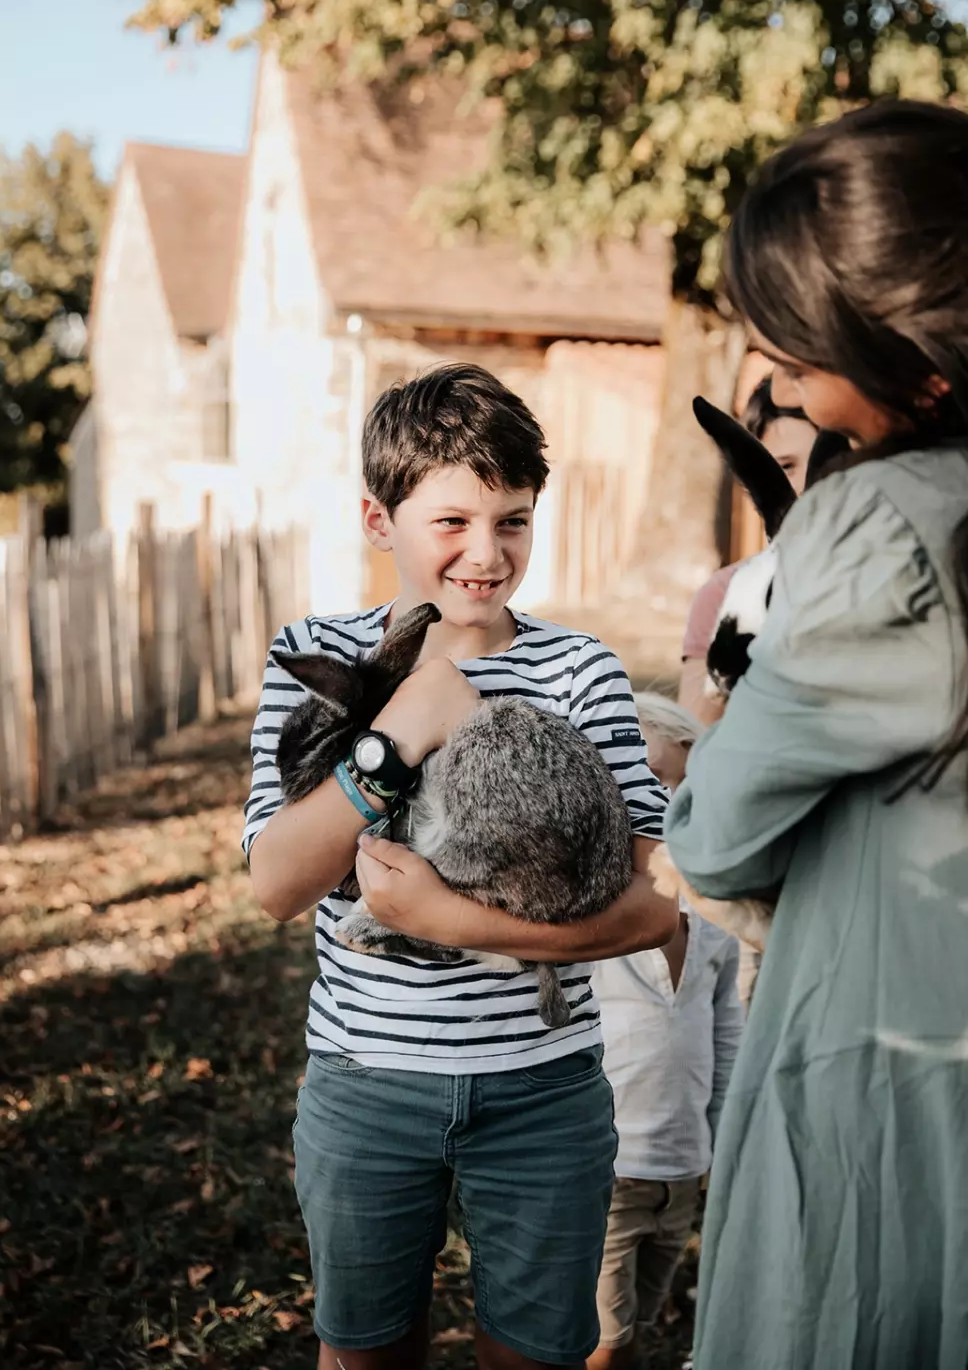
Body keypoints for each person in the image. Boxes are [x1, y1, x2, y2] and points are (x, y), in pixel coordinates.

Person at [243, 363, 677, 1370]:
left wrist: (453, 922)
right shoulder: (313, 652)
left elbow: (656, 895)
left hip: (542, 1090)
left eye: (512, 522)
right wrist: (396, 733)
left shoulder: (581, 670)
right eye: (452, 522)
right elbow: (276, 884)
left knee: (531, 1352)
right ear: (377, 518)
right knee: (363, 1351)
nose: (486, 556)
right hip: (366, 1083)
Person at [664, 99, 968, 1370]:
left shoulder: (875, 529)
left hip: (887, 1061)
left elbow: (722, 839)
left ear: (911, 353)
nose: (777, 380)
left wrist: (701, 747)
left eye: (793, 345)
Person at [589, 694, 743, 1370]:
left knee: (643, 1320)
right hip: (608, 1172)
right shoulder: (591, 918)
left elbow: (726, 1034)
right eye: (648, 786)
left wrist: (720, 1137)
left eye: (682, 785)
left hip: (684, 1167)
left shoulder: (713, 918)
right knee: (603, 1340)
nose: (668, 805)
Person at [678, 377, 818, 727]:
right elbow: (697, 735)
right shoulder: (728, 592)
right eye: (784, 468)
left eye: (822, 466)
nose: (803, 486)